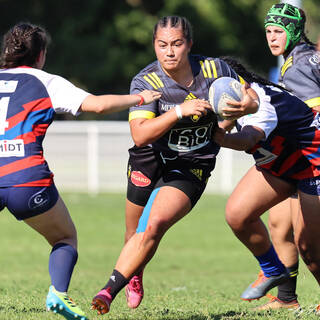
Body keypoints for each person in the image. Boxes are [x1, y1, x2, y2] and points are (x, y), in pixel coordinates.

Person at [90, 15, 260, 315]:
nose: (169, 52)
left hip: (192, 163)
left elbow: (251, 98)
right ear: (155, 46)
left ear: (189, 44)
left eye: (177, 44)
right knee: (133, 233)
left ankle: (107, 290)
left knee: (153, 225)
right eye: (162, 45)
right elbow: (140, 135)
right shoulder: (146, 80)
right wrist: (179, 112)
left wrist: (241, 109)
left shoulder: (215, 69)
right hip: (150, 157)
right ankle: (135, 272)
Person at [0, 22, 161, 320]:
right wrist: (141, 98)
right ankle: (58, 294)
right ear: (41, 55)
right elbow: (97, 105)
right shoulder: (45, 81)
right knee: (64, 238)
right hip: (26, 177)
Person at [213, 57, 320, 310]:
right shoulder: (236, 98)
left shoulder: (261, 102)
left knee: (310, 247)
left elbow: (249, 138)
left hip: (313, 165)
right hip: (282, 166)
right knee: (238, 214)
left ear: (240, 84)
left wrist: (220, 139)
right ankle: (276, 279)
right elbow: (223, 125)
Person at [244, 3, 320, 311]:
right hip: (298, 157)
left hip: (309, 159)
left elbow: (313, 115)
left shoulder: (298, 66)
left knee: (309, 243)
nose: (273, 38)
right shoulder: (304, 56)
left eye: (279, 32)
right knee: (278, 223)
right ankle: (287, 298)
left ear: (294, 33)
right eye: (269, 32)